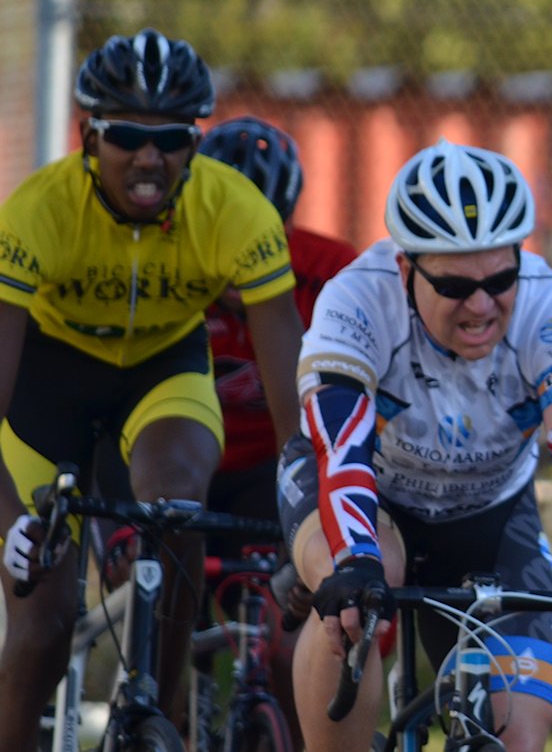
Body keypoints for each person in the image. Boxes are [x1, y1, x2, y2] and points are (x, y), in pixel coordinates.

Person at [280, 137, 552, 752]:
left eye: (500, 279)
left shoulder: (550, 307)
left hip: (489, 510)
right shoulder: (355, 301)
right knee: (364, 587)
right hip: (362, 497)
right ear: (406, 267)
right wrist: (356, 561)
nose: (481, 305)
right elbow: (343, 455)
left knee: (517, 739)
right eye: (455, 287)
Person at [0, 29, 304, 748]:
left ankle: (157, 720)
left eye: (171, 137)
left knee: (177, 508)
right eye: (127, 135)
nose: (149, 156)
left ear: (194, 142)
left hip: (163, 368)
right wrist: (9, 519)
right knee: (42, 622)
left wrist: (309, 518)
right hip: (51, 383)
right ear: (87, 136)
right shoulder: (35, 212)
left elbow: (294, 409)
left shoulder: (237, 212)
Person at [197, 115, 358, 741]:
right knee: (165, 607)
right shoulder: (174, 265)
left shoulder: (331, 270)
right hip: (194, 459)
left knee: (287, 632)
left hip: (277, 466)